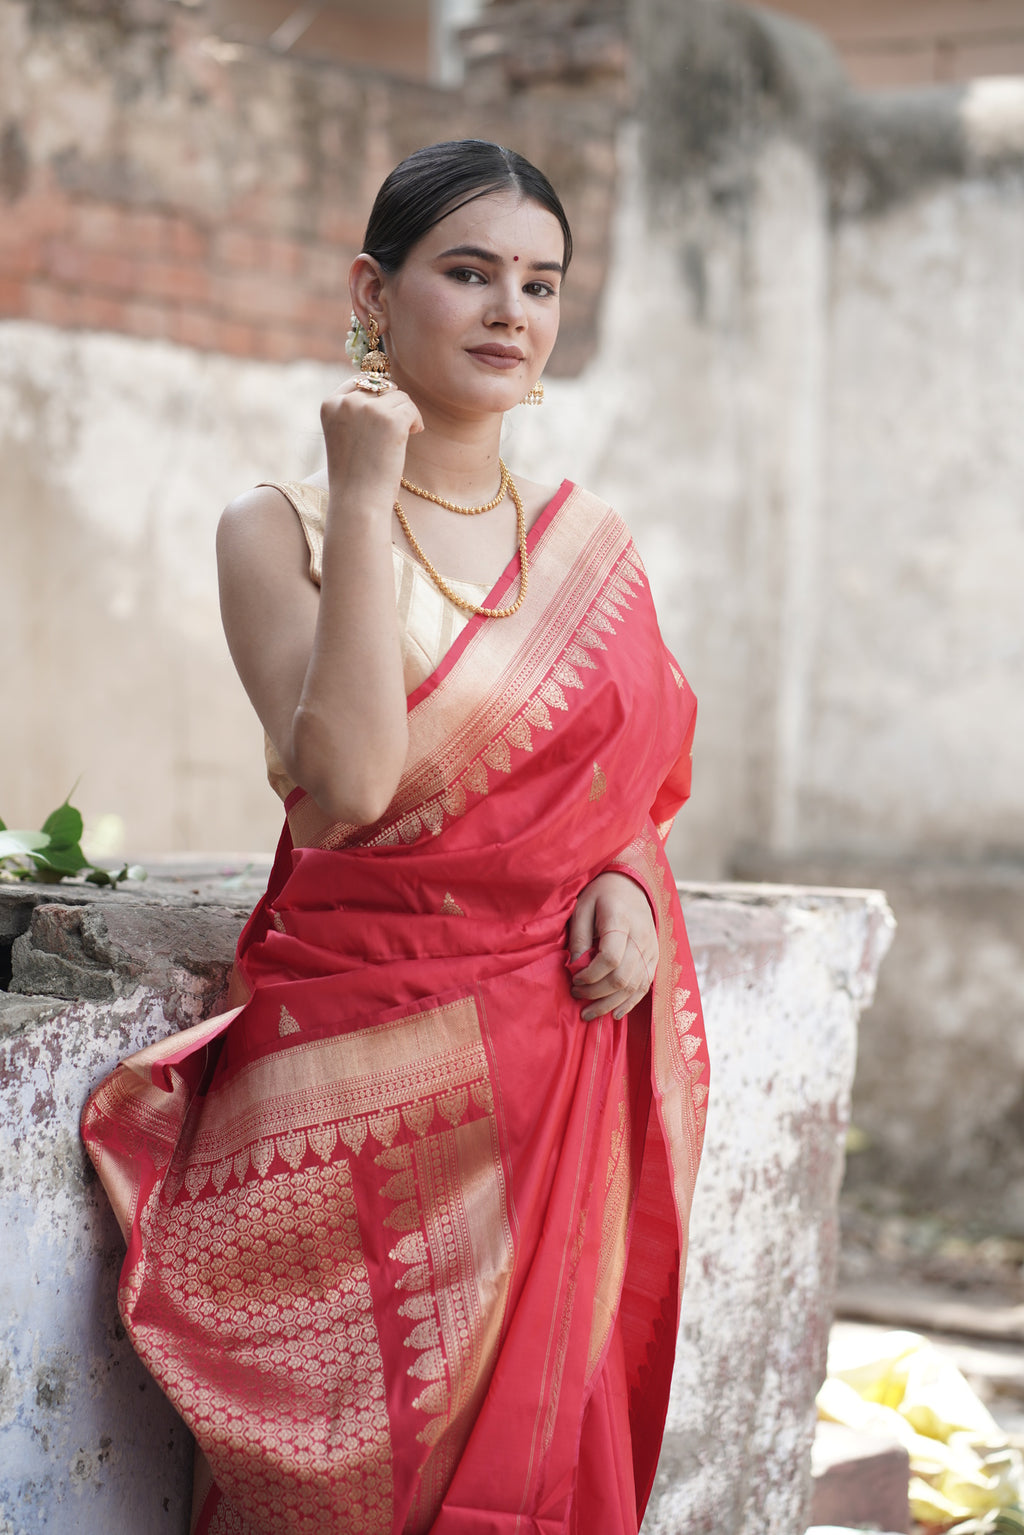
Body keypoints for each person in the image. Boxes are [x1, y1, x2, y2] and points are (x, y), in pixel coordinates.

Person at [82, 139, 709, 1535]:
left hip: (556, 1070)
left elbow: (631, 783)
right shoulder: (281, 523)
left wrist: (628, 882)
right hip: (357, 1081)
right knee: (348, 1487)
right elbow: (350, 789)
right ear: (375, 290)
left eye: (539, 284)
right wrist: (365, 491)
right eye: (469, 273)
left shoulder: (587, 539)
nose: (510, 313)